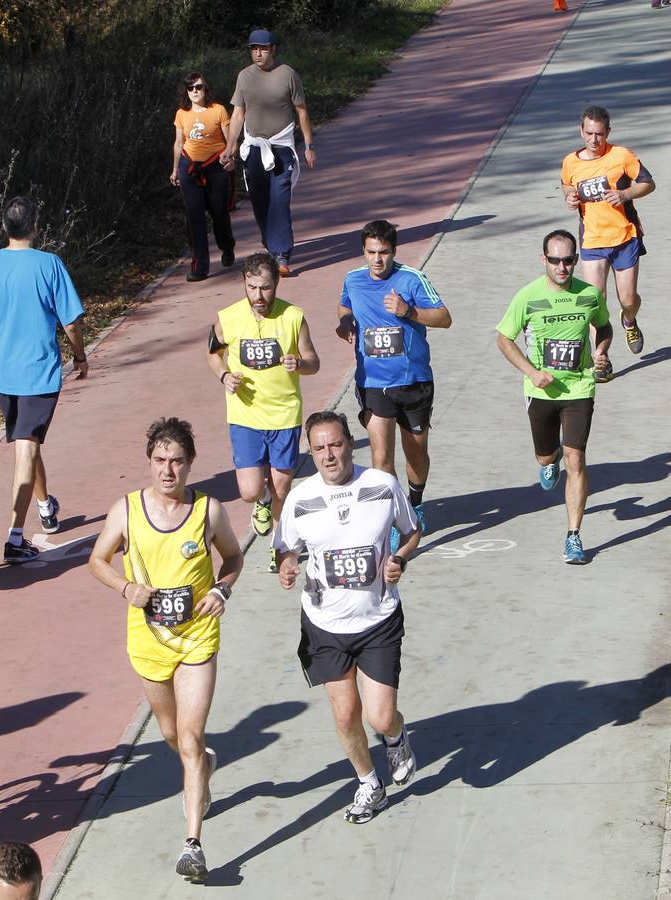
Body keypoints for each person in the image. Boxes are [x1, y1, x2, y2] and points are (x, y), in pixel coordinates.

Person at [87, 418, 243, 882]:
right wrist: (125, 587)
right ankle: (204, 766)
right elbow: (97, 560)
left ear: (191, 464)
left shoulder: (208, 511)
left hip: (197, 637)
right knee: (173, 735)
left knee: (191, 739)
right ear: (149, 463)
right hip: (148, 641)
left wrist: (222, 590)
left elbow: (233, 558)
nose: (168, 470)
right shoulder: (127, 510)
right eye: (159, 461)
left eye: (177, 461)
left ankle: (192, 844)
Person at [273, 411, 420, 825]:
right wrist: (287, 566)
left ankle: (395, 737)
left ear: (348, 443)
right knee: (343, 715)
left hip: (377, 620)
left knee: (380, 716)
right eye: (318, 448)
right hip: (324, 624)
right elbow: (284, 548)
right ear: (311, 452)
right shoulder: (301, 499)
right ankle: (369, 783)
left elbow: (411, 531)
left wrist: (400, 560)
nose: (328, 455)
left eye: (335, 445)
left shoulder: (381, 485)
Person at [0, 195, 89, 564]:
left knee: (26, 442)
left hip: (1, 374)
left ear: (5, 227)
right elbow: (71, 322)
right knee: (26, 446)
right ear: (36, 227)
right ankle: (15, 538)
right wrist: (80, 356)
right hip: (38, 372)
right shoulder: (50, 265)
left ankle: (46, 506)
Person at [494, 230, 612, 564]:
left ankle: (573, 536)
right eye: (555, 260)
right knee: (547, 459)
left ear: (575, 260)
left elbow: (604, 327)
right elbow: (504, 338)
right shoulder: (528, 297)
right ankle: (550, 458)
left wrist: (601, 352)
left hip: (579, 387)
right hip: (541, 391)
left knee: (577, 459)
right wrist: (531, 372)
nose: (562, 267)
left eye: (569, 260)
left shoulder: (589, 294)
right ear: (543, 259)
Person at [336, 219, 451, 541]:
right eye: (371, 252)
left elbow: (445, 318)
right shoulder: (353, 279)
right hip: (373, 381)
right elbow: (345, 303)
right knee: (381, 457)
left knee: (416, 453)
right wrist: (345, 323)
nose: (377, 259)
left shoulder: (413, 280)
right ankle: (390, 518)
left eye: (383, 252)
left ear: (394, 251)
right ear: (363, 251)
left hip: (414, 380)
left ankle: (415, 502)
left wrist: (409, 312)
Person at [207, 252, 320, 572]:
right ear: (244, 284)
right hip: (245, 415)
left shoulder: (294, 316)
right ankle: (262, 501)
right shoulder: (227, 318)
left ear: (277, 284)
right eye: (252, 287)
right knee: (249, 490)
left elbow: (314, 361)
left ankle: (280, 546)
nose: (259, 296)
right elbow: (213, 355)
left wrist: (300, 364)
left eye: (266, 288)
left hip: (285, 414)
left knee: (282, 486)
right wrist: (224, 376)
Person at [560, 105, 655, 380]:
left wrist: (625, 195)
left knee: (627, 299)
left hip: (625, 238)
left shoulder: (621, 156)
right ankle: (601, 358)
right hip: (592, 241)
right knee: (595, 302)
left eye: (599, 134)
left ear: (608, 133)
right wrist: (569, 196)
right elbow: (567, 184)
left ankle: (629, 320)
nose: (593, 140)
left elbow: (648, 183)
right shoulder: (571, 162)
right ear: (581, 131)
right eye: (588, 133)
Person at [220, 29, 316, 277]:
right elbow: (238, 114)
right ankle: (270, 241)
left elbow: (301, 111)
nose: (258, 53)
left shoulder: (288, 75)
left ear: (273, 49)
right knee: (260, 202)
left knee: (280, 201)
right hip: (254, 149)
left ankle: (281, 255)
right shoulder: (244, 77)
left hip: (282, 148)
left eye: (263, 48)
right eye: (253, 48)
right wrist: (230, 148)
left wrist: (308, 146)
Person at [171, 72, 237, 283]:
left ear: (206, 89)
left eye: (199, 87)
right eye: (190, 88)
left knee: (219, 213)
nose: (194, 92)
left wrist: (231, 158)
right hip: (189, 167)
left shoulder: (218, 110)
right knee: (194, 218)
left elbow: (230, 140)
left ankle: (227, 247)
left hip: (215, 167)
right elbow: (178, 143)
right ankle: (200, 266)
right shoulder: (182, 113)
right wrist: (174, 170)